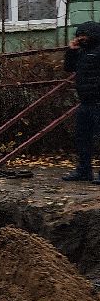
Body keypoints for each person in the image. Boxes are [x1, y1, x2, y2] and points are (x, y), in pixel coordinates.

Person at [63, 21, 100, 181]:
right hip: (85, 102)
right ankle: (84, 170)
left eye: (83, 35)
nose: (80, 38)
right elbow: (69, 67)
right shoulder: (82, 52)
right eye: (79, 36)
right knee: (82, 137)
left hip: (98, 101)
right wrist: (71, 51)